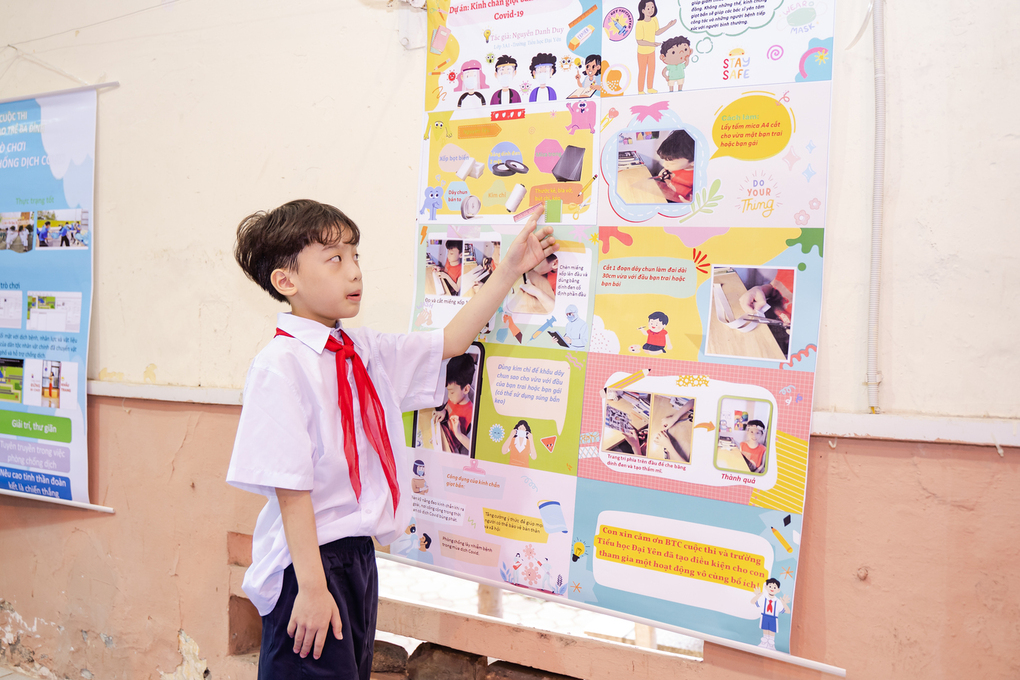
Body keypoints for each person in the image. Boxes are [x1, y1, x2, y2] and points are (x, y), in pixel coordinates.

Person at [226, 199, 556, 679]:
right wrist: (313, 589)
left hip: (358, 560)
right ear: (286, 281)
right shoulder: (280, 365)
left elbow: (450, 342)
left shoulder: (365, 350)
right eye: (334, 259)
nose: (354, 271)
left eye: (355, 255)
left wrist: (508, 270)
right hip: (308, 565)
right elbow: (290, 487)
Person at [634, 0, 676, 93]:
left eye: (652, 7)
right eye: (648, 8)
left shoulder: (654, 19)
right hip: (642, 52)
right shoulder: (640, 24)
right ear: (643, 10)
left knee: (651, 70)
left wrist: (668, 26)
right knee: (642, 71)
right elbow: (639, 41)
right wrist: (652, 44)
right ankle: (640, 90)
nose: (651, 10)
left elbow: (657, 32)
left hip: (651, 51)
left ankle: (650, 88)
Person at [650, 129, 695, 202]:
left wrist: (692, 203)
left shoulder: (696, 178)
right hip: (667, 195)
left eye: (671, 163)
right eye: (664, 160)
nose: (664, 165)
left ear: (693, 162)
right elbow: (665, 172)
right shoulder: (677, 167)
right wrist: (663, 174)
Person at [443, 353, 475, 453]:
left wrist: (458, 434)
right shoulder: (454, 399)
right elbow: (448, 407)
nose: (449, 396)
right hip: (443, 436)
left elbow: (474, 448)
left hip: (453, 450)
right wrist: (443, 412)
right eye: (448, 391)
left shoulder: (472, 413)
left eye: (452, 392)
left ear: (466, 389)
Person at [751, 578, 791, 650]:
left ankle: (771, 645)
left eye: (774, 587)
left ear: (778, 590)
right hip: (764, 616)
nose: (772, 589)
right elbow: (753, 602)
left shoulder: (778, 601)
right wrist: (758, 595)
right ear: (766, 587)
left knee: (772, 631)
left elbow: (788, 611)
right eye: (770, 586)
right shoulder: (763, 598)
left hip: (773, 618)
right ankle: (763, 643)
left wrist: (784, 603)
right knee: (765, 630)